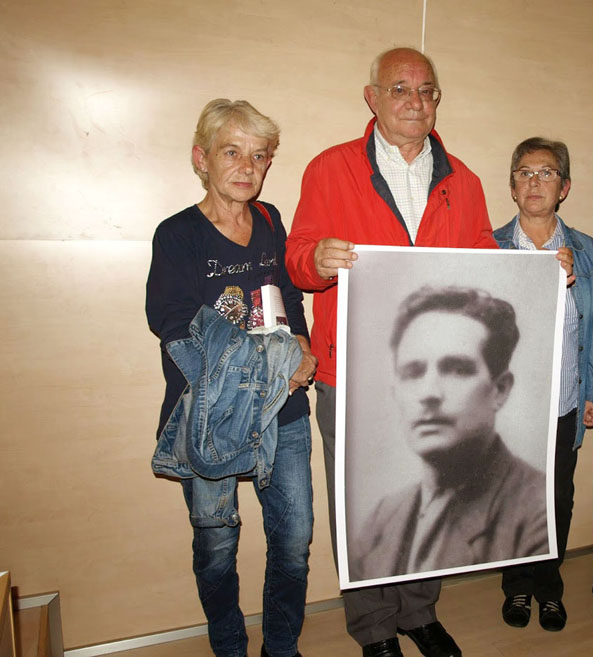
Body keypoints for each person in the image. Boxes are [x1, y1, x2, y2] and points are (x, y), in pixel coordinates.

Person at [285, 47, 496, 657]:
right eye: (400, 88)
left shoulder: (465, 181)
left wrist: (535, 272)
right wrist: (316, 259)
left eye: (427, 90)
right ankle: (375, 626)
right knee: (363, 504)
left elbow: (484, 261)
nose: (415, 101)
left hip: (433, 375)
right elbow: (296, 256)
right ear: (372, 97)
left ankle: (419, 612)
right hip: (350, 370)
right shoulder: (330, 168)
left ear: (438, 101)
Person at [146, 99, 317, 657]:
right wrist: (265, 366)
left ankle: (281, 648)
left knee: (293, 544)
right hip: (211, 415)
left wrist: (303, 345)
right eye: (232, 152)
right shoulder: (177, 235)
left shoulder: (269, 220)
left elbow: (287, 295)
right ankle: (230, 647)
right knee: (217, 548)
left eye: (259, 156)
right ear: (202, 159)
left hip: (283, 409)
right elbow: (174, 328)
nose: (248, 167)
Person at [350, 286, 550, 580]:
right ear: (396, 390)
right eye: (413, 372)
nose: (429, 393)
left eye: (457, 369)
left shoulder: (538, 511)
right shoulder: (382, 518)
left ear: (500, 389)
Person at [492, 138, 593, 632]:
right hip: (510, 404)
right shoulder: (489, 245)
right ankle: (516, 586)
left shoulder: (587, 250)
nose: (534, 182)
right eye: (524, 172)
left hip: (563, 399)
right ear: (512, 185)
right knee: (511, 495)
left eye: (546, 173)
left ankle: (549, 587)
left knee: (557, 498)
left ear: (564, 187)